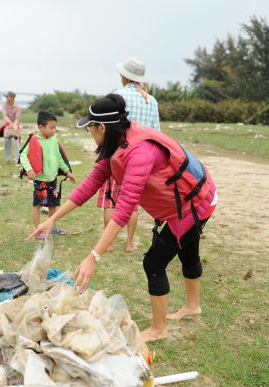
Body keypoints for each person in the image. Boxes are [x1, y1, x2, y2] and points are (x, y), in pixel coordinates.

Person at [29, 94, 217, 342]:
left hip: (194, 205)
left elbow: (124, 209)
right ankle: (193, 306)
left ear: (102, 127)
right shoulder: (119, 142)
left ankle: (159, 329)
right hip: (188, 202)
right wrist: (53, 219)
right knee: (188, 253)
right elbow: (91, 183)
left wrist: (93, 256)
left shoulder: (138, 153)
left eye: (90, 127)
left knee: (154, 263)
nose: (90, 132)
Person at [96, 57, 160, 252]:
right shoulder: (151, 100)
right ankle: (129, 243)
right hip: (141, 160)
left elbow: (109, 127)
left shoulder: (118, 95)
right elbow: (157, 132)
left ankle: (110, 243)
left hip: (118, 155)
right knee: (132, 204)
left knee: (110, 200)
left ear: (124, 76)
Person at [19, 110, 77, 241]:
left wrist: (68, 172)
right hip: (40, 179)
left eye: (55, 127)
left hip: (53, 179)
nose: (54, 130)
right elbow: (23, 155)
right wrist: (29, 169)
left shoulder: (53, 141)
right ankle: (38, 229)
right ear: (41, 127)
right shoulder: (33, 140)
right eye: (51, 128)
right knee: (37, 205)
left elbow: (60, 159)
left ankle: (52, 226)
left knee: (53, 204)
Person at [2, 91, 21, 164]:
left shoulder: (18, 107)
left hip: (15, 125)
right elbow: (5, 115)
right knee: (7, 142)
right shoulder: (4, 105)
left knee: (16, 143)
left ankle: (17, 160)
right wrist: (10, 123)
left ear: (12, 97)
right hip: (7, 125)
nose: (6, 98)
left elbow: (17, 118)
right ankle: (8, 158)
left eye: (7, 96)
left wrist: (13, 125)